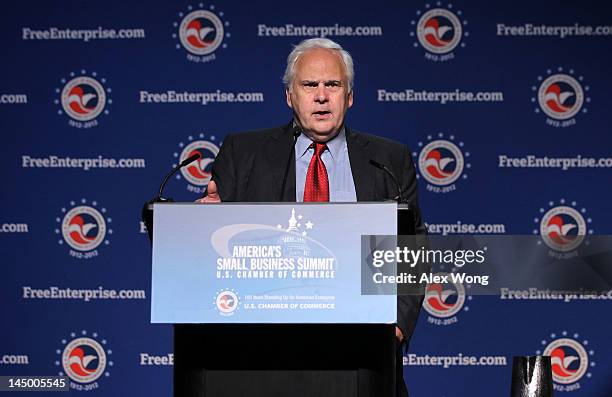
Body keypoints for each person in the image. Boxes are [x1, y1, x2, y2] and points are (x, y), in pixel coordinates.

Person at [197, 37, 425, 397]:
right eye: (309, 85)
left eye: (332, 85)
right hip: (262, 356)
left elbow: (412, 245)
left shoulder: (388, 160)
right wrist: (202, 227)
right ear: (290, 96)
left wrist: (397, 321)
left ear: (349, 96)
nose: (321, 96)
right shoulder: (244, 153)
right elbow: (211, 252)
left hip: (360, 355)